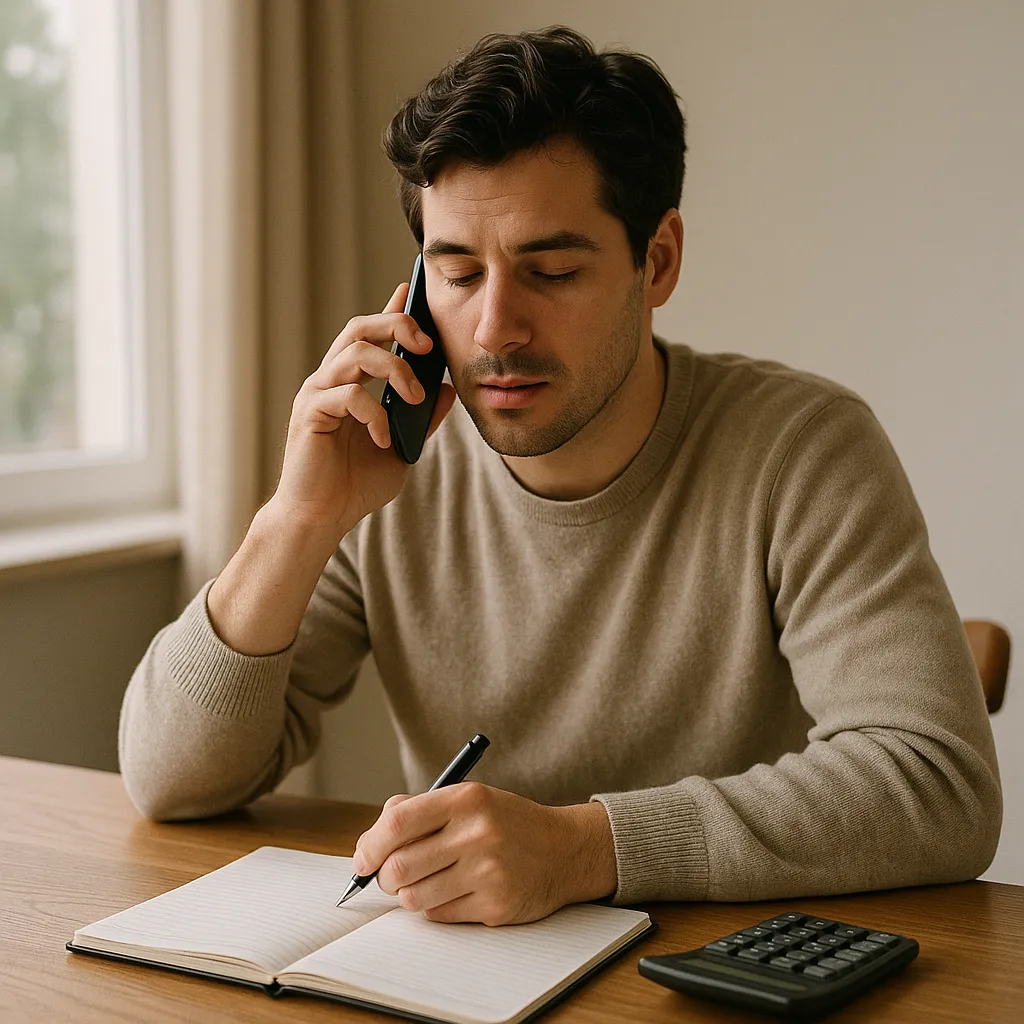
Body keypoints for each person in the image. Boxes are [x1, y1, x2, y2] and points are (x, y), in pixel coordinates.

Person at [120, 26, 1001, 926]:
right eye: (456, 272)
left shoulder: (803, 450)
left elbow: (937, 785)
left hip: (717, 970)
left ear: (655, 261)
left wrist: (585, 849)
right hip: (463, 977)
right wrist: (298, 518)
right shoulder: (385, 463)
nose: (497, 327)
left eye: (552, 270)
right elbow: (168, 781)